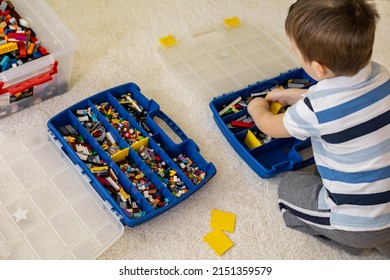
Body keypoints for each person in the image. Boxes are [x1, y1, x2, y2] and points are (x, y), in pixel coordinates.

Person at [247, 0, 390, 256]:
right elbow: (343, 100)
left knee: (288, 188)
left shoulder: (316, 109)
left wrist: (256, 108)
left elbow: (271, 126)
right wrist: (300, 96)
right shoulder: (383, 75)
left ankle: (353, 241)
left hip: (355, 226)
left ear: (318, 68)